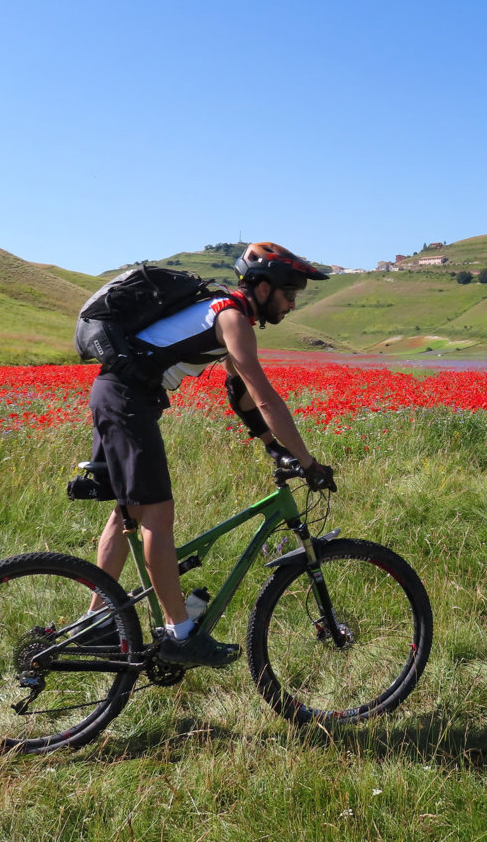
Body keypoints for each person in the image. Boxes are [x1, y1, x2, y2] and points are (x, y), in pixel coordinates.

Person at [86, 242, 335, 667]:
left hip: (117, 395)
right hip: (128, 401)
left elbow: (238, 392)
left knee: (126, 512)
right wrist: (308, 463)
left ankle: (97, 623)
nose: (292, 304)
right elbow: (266, 397)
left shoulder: (225, 311)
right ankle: (179, 634)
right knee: (157, 515)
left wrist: (275, 448)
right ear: (262, 286)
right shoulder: (233, 318)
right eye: (289, 294)